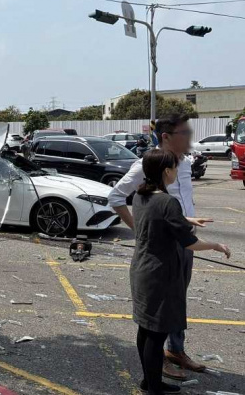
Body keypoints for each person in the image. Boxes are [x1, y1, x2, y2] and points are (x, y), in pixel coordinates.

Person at [108, 114, 211, 381]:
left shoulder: (185, 163)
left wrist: (189, 222)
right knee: (160, 310)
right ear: (166, 137)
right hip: (165, 250)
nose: (189, 138)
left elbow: (181, 203)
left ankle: (175, 351)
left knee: (177, 300)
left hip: (186, 243)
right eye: (184, 134)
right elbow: (116, 196)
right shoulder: (148, 166)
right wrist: (141, 233)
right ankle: (157, 365)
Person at [130, 149, 230, 394]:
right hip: (160, 275)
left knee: (146, 328)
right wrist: (217, 245)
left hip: (142, 271)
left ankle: (149, 381)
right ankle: (154, 388)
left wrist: (186, 219)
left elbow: (158, 217)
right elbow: (189, 243)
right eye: (175, 168)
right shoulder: (167, 201)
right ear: (166, 171)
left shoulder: (140, 195)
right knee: (156, 333)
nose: (177, 172)